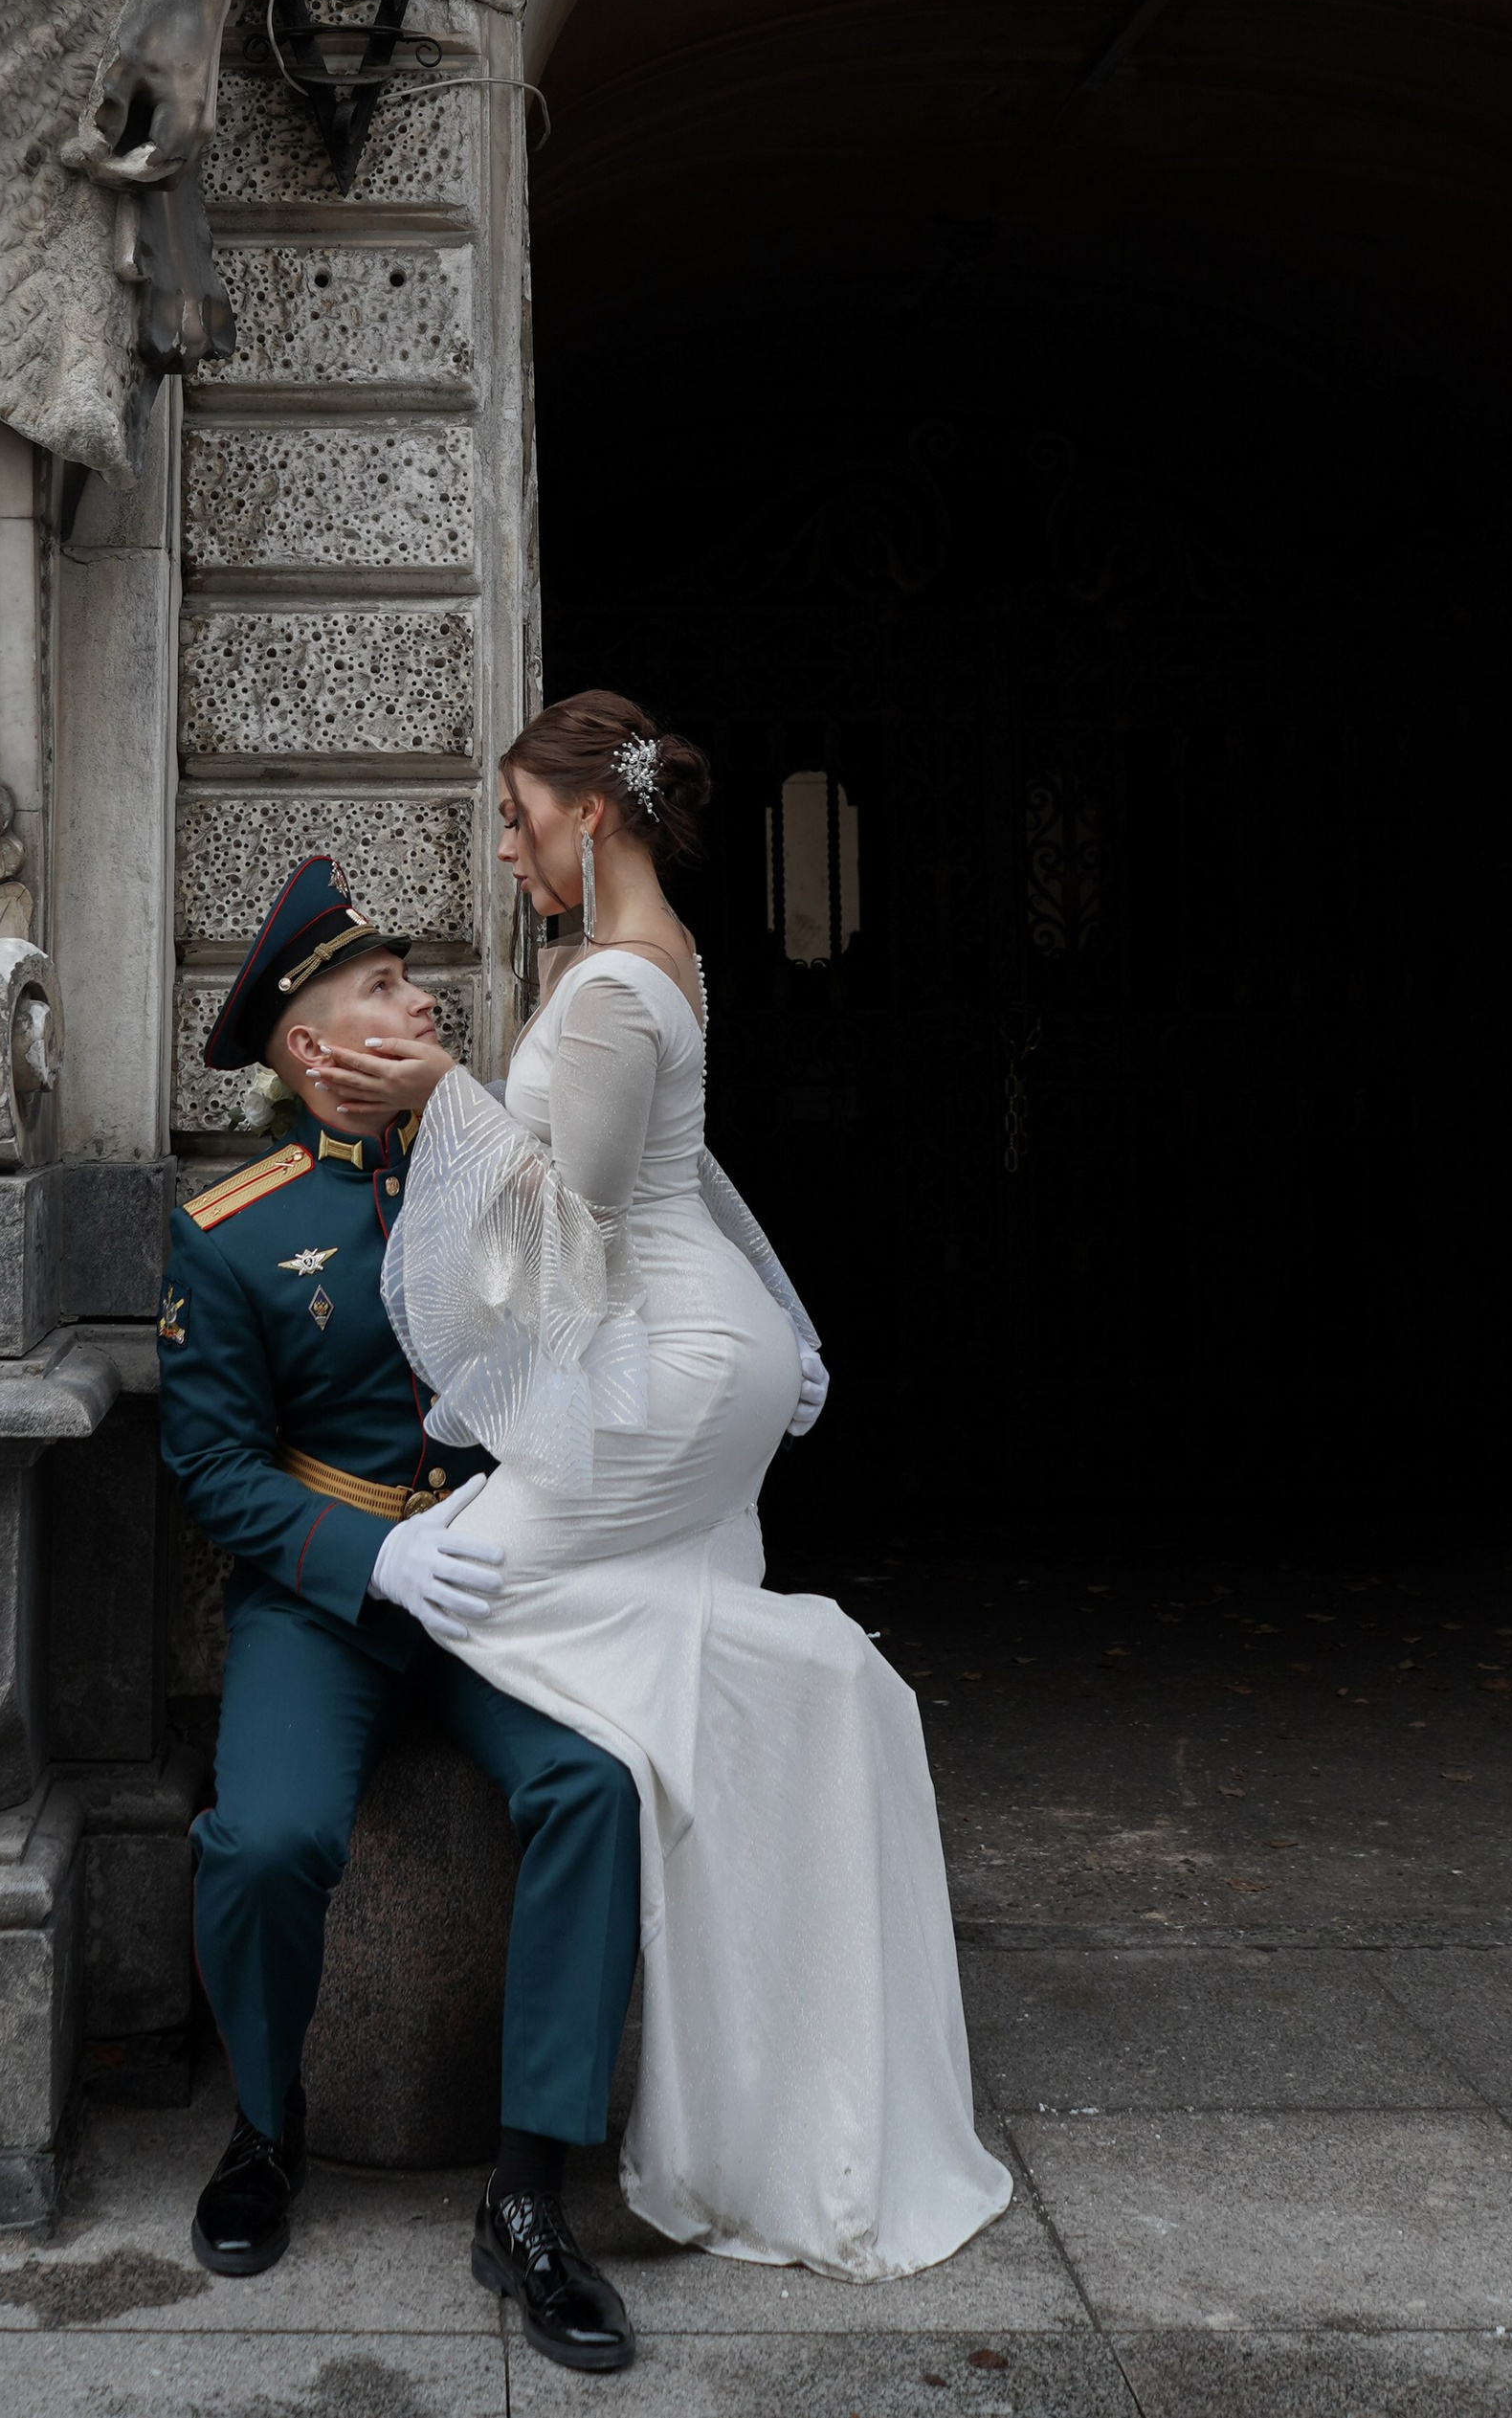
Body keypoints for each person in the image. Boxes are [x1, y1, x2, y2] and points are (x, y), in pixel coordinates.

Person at [308, 693, 1013, 2280]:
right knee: (653, 1631)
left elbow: (589, 1218)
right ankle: (753, 2050)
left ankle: (829, 1686)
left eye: (515, 815)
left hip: (683, 1364)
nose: (503, 847)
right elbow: (688, 1183)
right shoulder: (639, 957)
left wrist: (435, 1098)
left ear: (591, 815)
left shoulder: (618, 981)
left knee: (463, 1573)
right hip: (712, 1346)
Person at [159, 856, 648, 2368]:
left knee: (595, 1786)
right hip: (333, 1600)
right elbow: (209, 1465)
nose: (419, 997)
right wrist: (368, 1561)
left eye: (409, 977)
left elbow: (594, 1315)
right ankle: (264, 2120)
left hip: (500, 1585)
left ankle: (525, 2191)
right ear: (310, 1049)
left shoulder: (496, 1160)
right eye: (380, 987)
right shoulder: (230, 1229)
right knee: (266, 1839)